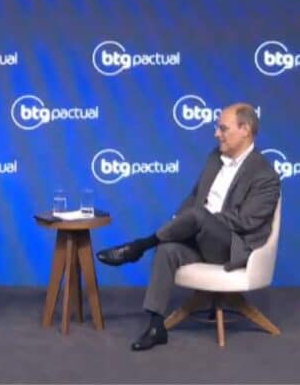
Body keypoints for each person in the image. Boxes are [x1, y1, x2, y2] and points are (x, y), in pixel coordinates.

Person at [96, 103, 281, 351]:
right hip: (201, 237)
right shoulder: (215, 158)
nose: (216, 134)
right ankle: (156, 326)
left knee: (197, 215)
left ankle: (138, 247)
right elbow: (196, 196)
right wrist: (182, 222)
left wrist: (202, 220)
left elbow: (245, 221)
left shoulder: (265, 175)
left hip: (231, 247)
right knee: (167, 249)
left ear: (245, 129)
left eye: (223, 128)